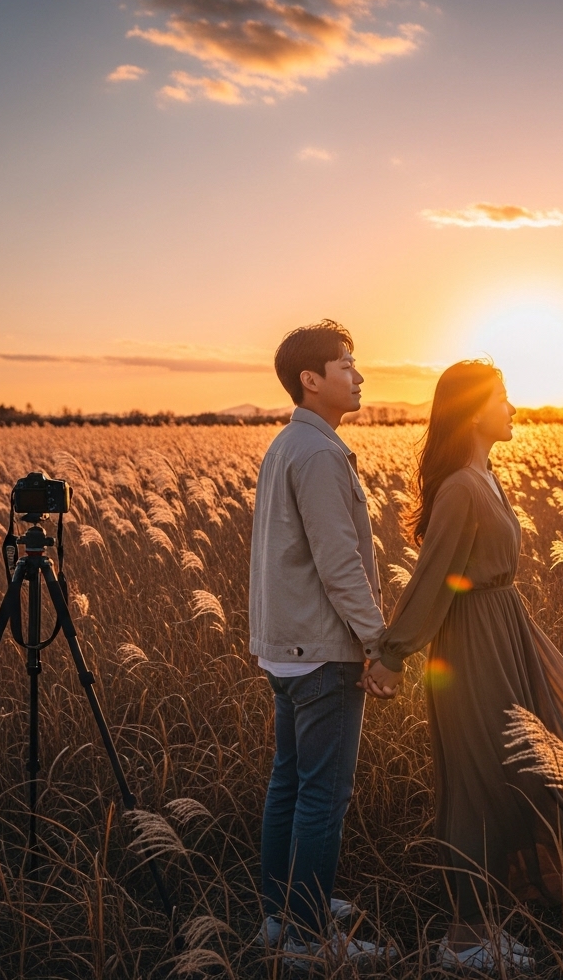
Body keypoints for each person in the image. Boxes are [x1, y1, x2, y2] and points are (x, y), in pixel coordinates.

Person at [361, 361, 563, 973]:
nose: (514, 408)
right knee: (479, 782)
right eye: (503, 397)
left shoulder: (485, 476)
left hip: (506, 635)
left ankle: (487, 920)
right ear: (473, 410)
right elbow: (435, 580)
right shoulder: (461, 485)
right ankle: (463, 938)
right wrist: (392, 655)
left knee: (517, 776)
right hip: (473, 646)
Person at [249, 320, 397, 967]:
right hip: (321, 652)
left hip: (285, 650)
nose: (358, 375)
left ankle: (282, 913)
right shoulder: (320, 453)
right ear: (311, 380)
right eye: (346, 364)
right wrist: (378, 643)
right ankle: (311, 938)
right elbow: (340, 564)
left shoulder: (286, 445)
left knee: (289, 784)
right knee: (321, 797)